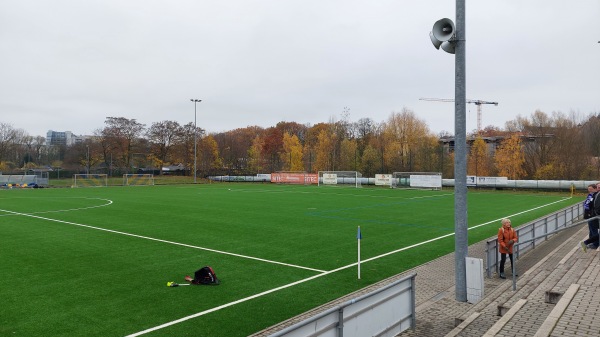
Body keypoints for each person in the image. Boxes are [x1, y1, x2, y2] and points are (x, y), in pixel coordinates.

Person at [581, 183, 600, 252]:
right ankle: (593, 244)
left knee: (594, 232)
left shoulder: (595, 195)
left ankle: (587, 243)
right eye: (589, 190)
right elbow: (593, 207)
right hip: (593, 216)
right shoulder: (594, 195)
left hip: (593, 216)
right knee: (593, 231)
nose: (590, 191)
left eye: (591, 190)